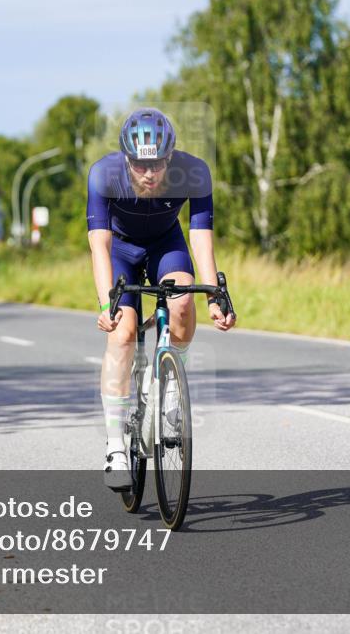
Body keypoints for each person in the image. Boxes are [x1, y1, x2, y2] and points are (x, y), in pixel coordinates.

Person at [87, 108, 236, 490]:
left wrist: (214, 294)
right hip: (121, 250)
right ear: (126, 158)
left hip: (165, 245)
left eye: (157, 164)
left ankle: (171, 383)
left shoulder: (196, 172)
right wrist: (107, 305)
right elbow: (99, 245)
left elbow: (200, 236)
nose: (149, 173)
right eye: (139, 164)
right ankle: (116, 446)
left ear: (171, 157)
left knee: (183, 302)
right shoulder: (104, 175)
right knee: (123, 334)